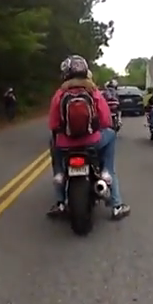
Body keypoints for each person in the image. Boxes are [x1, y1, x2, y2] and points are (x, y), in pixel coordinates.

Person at [47, 55, 130, 220]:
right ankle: (115, 202)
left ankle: (60, 199)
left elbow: (53, 124)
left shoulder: (60, 93)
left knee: (53, 143)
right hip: (93, 142)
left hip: (65, 145)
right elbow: (106, 120)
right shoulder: (93, 91)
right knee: (111, 135)